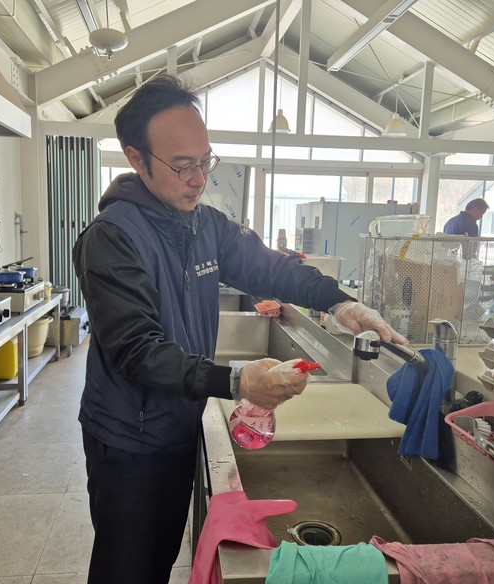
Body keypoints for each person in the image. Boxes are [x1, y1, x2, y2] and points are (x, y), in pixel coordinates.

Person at [72, 74, 405, 584]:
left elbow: (271, 268)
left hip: (179, 423)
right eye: (183, 165)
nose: (198, 179)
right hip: (127, 439)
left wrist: (340, 303)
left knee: (158, 558)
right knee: (126, 569)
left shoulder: (204, 225)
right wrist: (236, 380)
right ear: (136, 159)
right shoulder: (111, 238)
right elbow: (137, 351)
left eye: (206, 161)